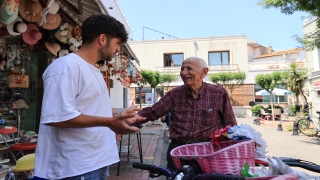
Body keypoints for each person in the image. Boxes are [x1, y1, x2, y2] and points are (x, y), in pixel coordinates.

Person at [34, 14, 145, 180]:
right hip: (73, 168)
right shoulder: (66, 66)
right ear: (102, 39)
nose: (117, 49)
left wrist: (121, 112)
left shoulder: (93, 70)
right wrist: (109, 122)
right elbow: (56, 117)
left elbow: (89, 108)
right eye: (116, 43)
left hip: (96, 161)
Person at [137, 57, 237, 171]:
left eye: (189, 68)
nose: (183, 72)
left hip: (206, 150)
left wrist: (236, 147)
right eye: (182, 68)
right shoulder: (174, 94)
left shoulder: (219, 93)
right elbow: (153, 111)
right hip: (178, 150)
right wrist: (132, 119)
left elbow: (231, 125)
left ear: (204, 72)